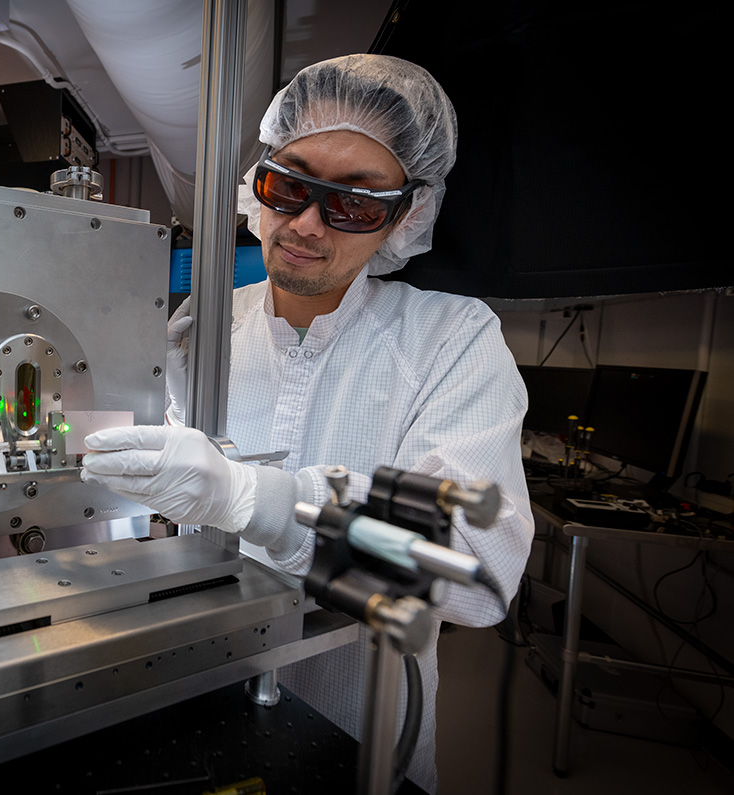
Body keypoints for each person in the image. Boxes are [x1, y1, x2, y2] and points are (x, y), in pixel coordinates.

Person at [81, 54, 534, 792]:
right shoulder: (198, 332)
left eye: (353, 203)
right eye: (288, 186)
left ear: (407, 213)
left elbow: (480, 569)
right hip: (192, 706)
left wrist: (259, 501)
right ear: (256, 180)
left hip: (360, 735)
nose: (305, 225)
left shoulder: (450, 339)